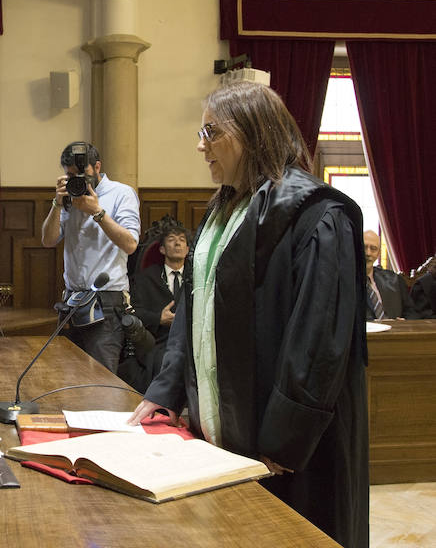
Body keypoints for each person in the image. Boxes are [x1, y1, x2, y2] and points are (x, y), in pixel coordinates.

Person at [127, 81, 368, 548]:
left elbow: (319, 340)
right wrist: (166, 392)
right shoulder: (223, 213)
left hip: (288, 446)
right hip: (223, 432)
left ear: (254, 132)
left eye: (211, 131)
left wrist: (283, 437)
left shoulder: (317, 215)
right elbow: (191, 317)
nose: (201, 145)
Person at [41, 142, 140, 374]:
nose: (78, 181)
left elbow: (131, 244)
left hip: (107, 304)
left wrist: (97, 212)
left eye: (82, 174)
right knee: (68, 378)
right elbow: (48, 240)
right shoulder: (69, 198)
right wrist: (57, 203)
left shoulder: (121, 193)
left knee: (101, 382)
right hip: (71, 301)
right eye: (70, 175)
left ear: (97, 167)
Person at [125, 216, 190, 392]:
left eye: (182, 240)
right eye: (171, 240)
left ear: (188, 249)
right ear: (161, 249)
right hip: (158, 341)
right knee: (164, 360)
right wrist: (158, 318)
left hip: (190, 340)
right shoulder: (145, 279)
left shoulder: (197, 278)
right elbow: (133, 312)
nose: (177, 244)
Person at [363, 230, 418, 320]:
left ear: (378, 254)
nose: (368, 253)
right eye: (364, 247)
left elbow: (411, 312)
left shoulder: (395, 280)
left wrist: (405, 322)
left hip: (396, 332)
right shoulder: (343, 282)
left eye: (373, 249)